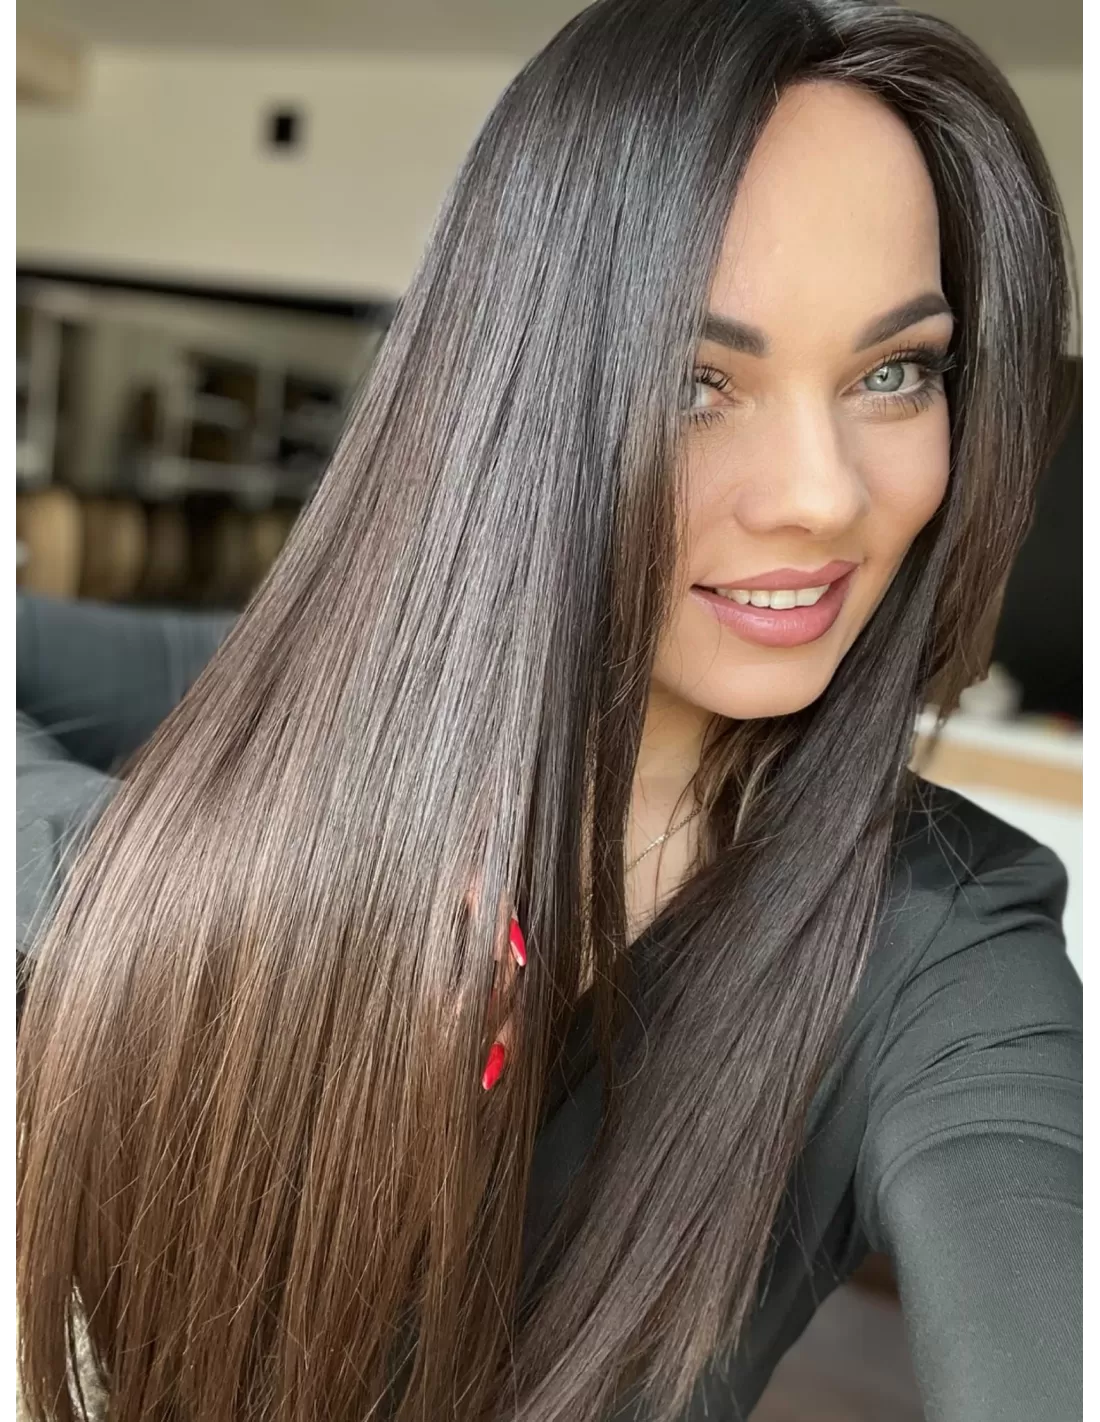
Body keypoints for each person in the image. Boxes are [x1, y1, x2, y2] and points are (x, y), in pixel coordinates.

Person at [15, 3, 1082, 1420]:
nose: (824, 495)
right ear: (519, 403)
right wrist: (228, 901)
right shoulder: (332, 718)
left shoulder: (945, 946)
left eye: (895, 373)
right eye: (697, 382)